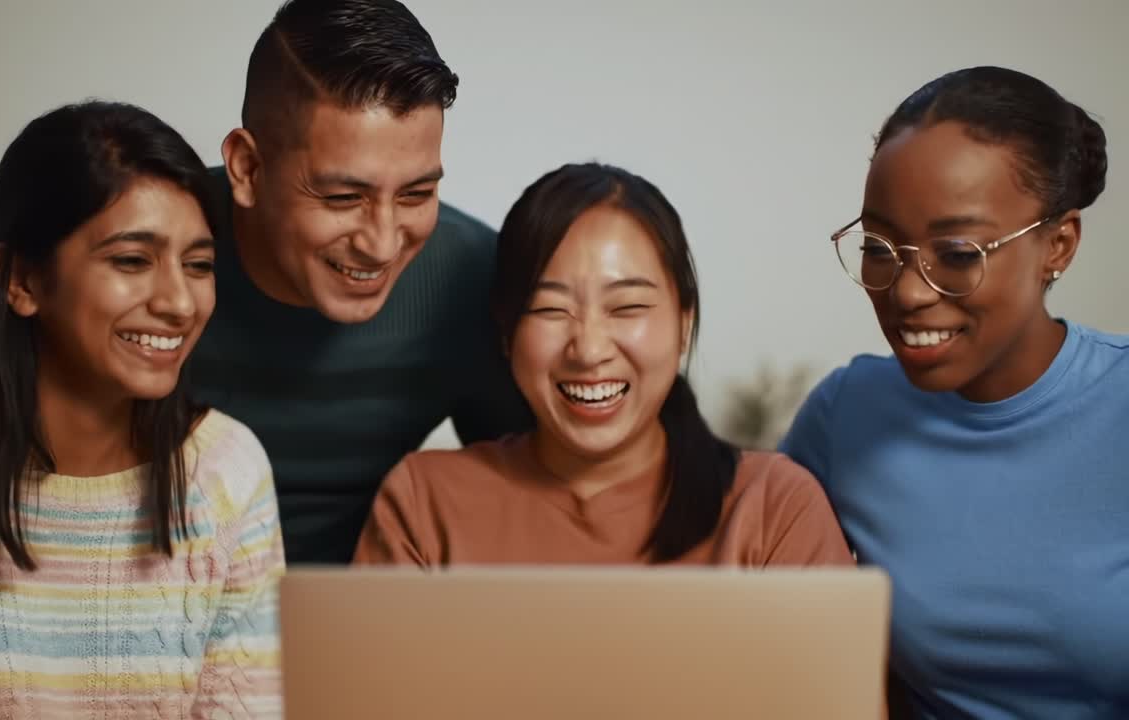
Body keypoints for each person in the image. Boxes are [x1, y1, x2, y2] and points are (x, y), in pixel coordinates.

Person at [0, 101, 283, 717]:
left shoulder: (229, 470)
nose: (180, 303)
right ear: (21, 279)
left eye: (199, 265)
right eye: (132, 261)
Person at [781, 66, 1128, 719]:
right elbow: (736, 611)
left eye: (959, 252)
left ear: (1059, 245)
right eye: (880, 246)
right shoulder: (846, 414)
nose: (908, 292)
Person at [353, 163, 853, 567]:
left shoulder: (774, 508)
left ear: (684, 322)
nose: (589, 350)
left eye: (627, 308)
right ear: (507, 334)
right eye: (551, 309)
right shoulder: (425, 503)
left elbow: (837, 694)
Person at [193, 0, 532, 566]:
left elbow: (538, 493)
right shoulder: (143, 248)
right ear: (247, 169)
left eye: (416, 194)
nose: (382, 242)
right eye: (343, 197)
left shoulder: (470, 279)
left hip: (359, 624)